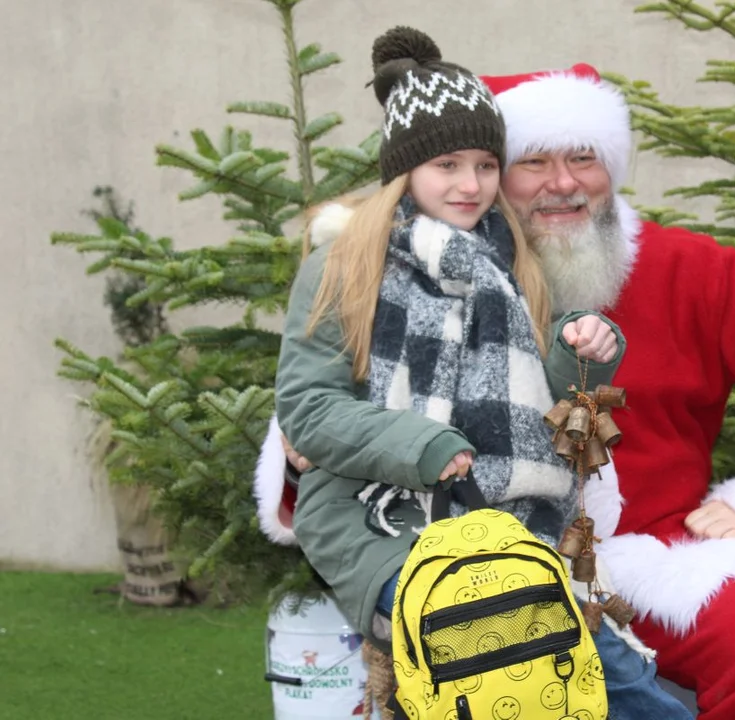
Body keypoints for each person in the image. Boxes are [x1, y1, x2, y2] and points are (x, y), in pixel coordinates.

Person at [261, 58, 735, 720]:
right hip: (500, 547)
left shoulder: (689, 269)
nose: (564, 183)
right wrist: (295, 449)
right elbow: (337, 389)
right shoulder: (425, 270)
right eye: (534, 161)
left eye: (584, 157)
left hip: (655, 553)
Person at [265, 27, 695, 720]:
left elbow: (547, 403)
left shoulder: (514, 259)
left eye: (487, 165)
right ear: (405, 170)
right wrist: (422, 445)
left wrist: (578, 349)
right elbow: (309, 409)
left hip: (515, 528)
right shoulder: (345, 265)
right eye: (448, 165)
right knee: (488, 675)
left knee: (618, 689)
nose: (471, 185)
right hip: (380, 524)